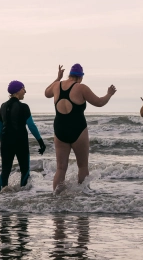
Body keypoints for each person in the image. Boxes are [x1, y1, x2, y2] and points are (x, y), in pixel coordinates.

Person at [44, 64, 116, 192]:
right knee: (82, 166)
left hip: (60, 130)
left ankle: (55, 199)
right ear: (81, 77)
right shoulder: (81, 88)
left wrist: (58, 78)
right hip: (78, 129)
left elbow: (46, 93)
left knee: (61, 168)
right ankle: (83, 198)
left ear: (69, 74)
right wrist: (109, 94)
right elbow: (99, 102)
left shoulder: (56, 85)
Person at [0, 81, 47, 191]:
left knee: (5, 170)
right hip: (21, 141)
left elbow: (0, 128)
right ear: (18, 90)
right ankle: (23, 197)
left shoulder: (3, 106)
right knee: (25, 170)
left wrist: (2, 143)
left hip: (6, 142)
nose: (25, 91)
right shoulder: (24, 107)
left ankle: (0, 196)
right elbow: (31, 126)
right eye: (23, 88)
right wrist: (41, 142)